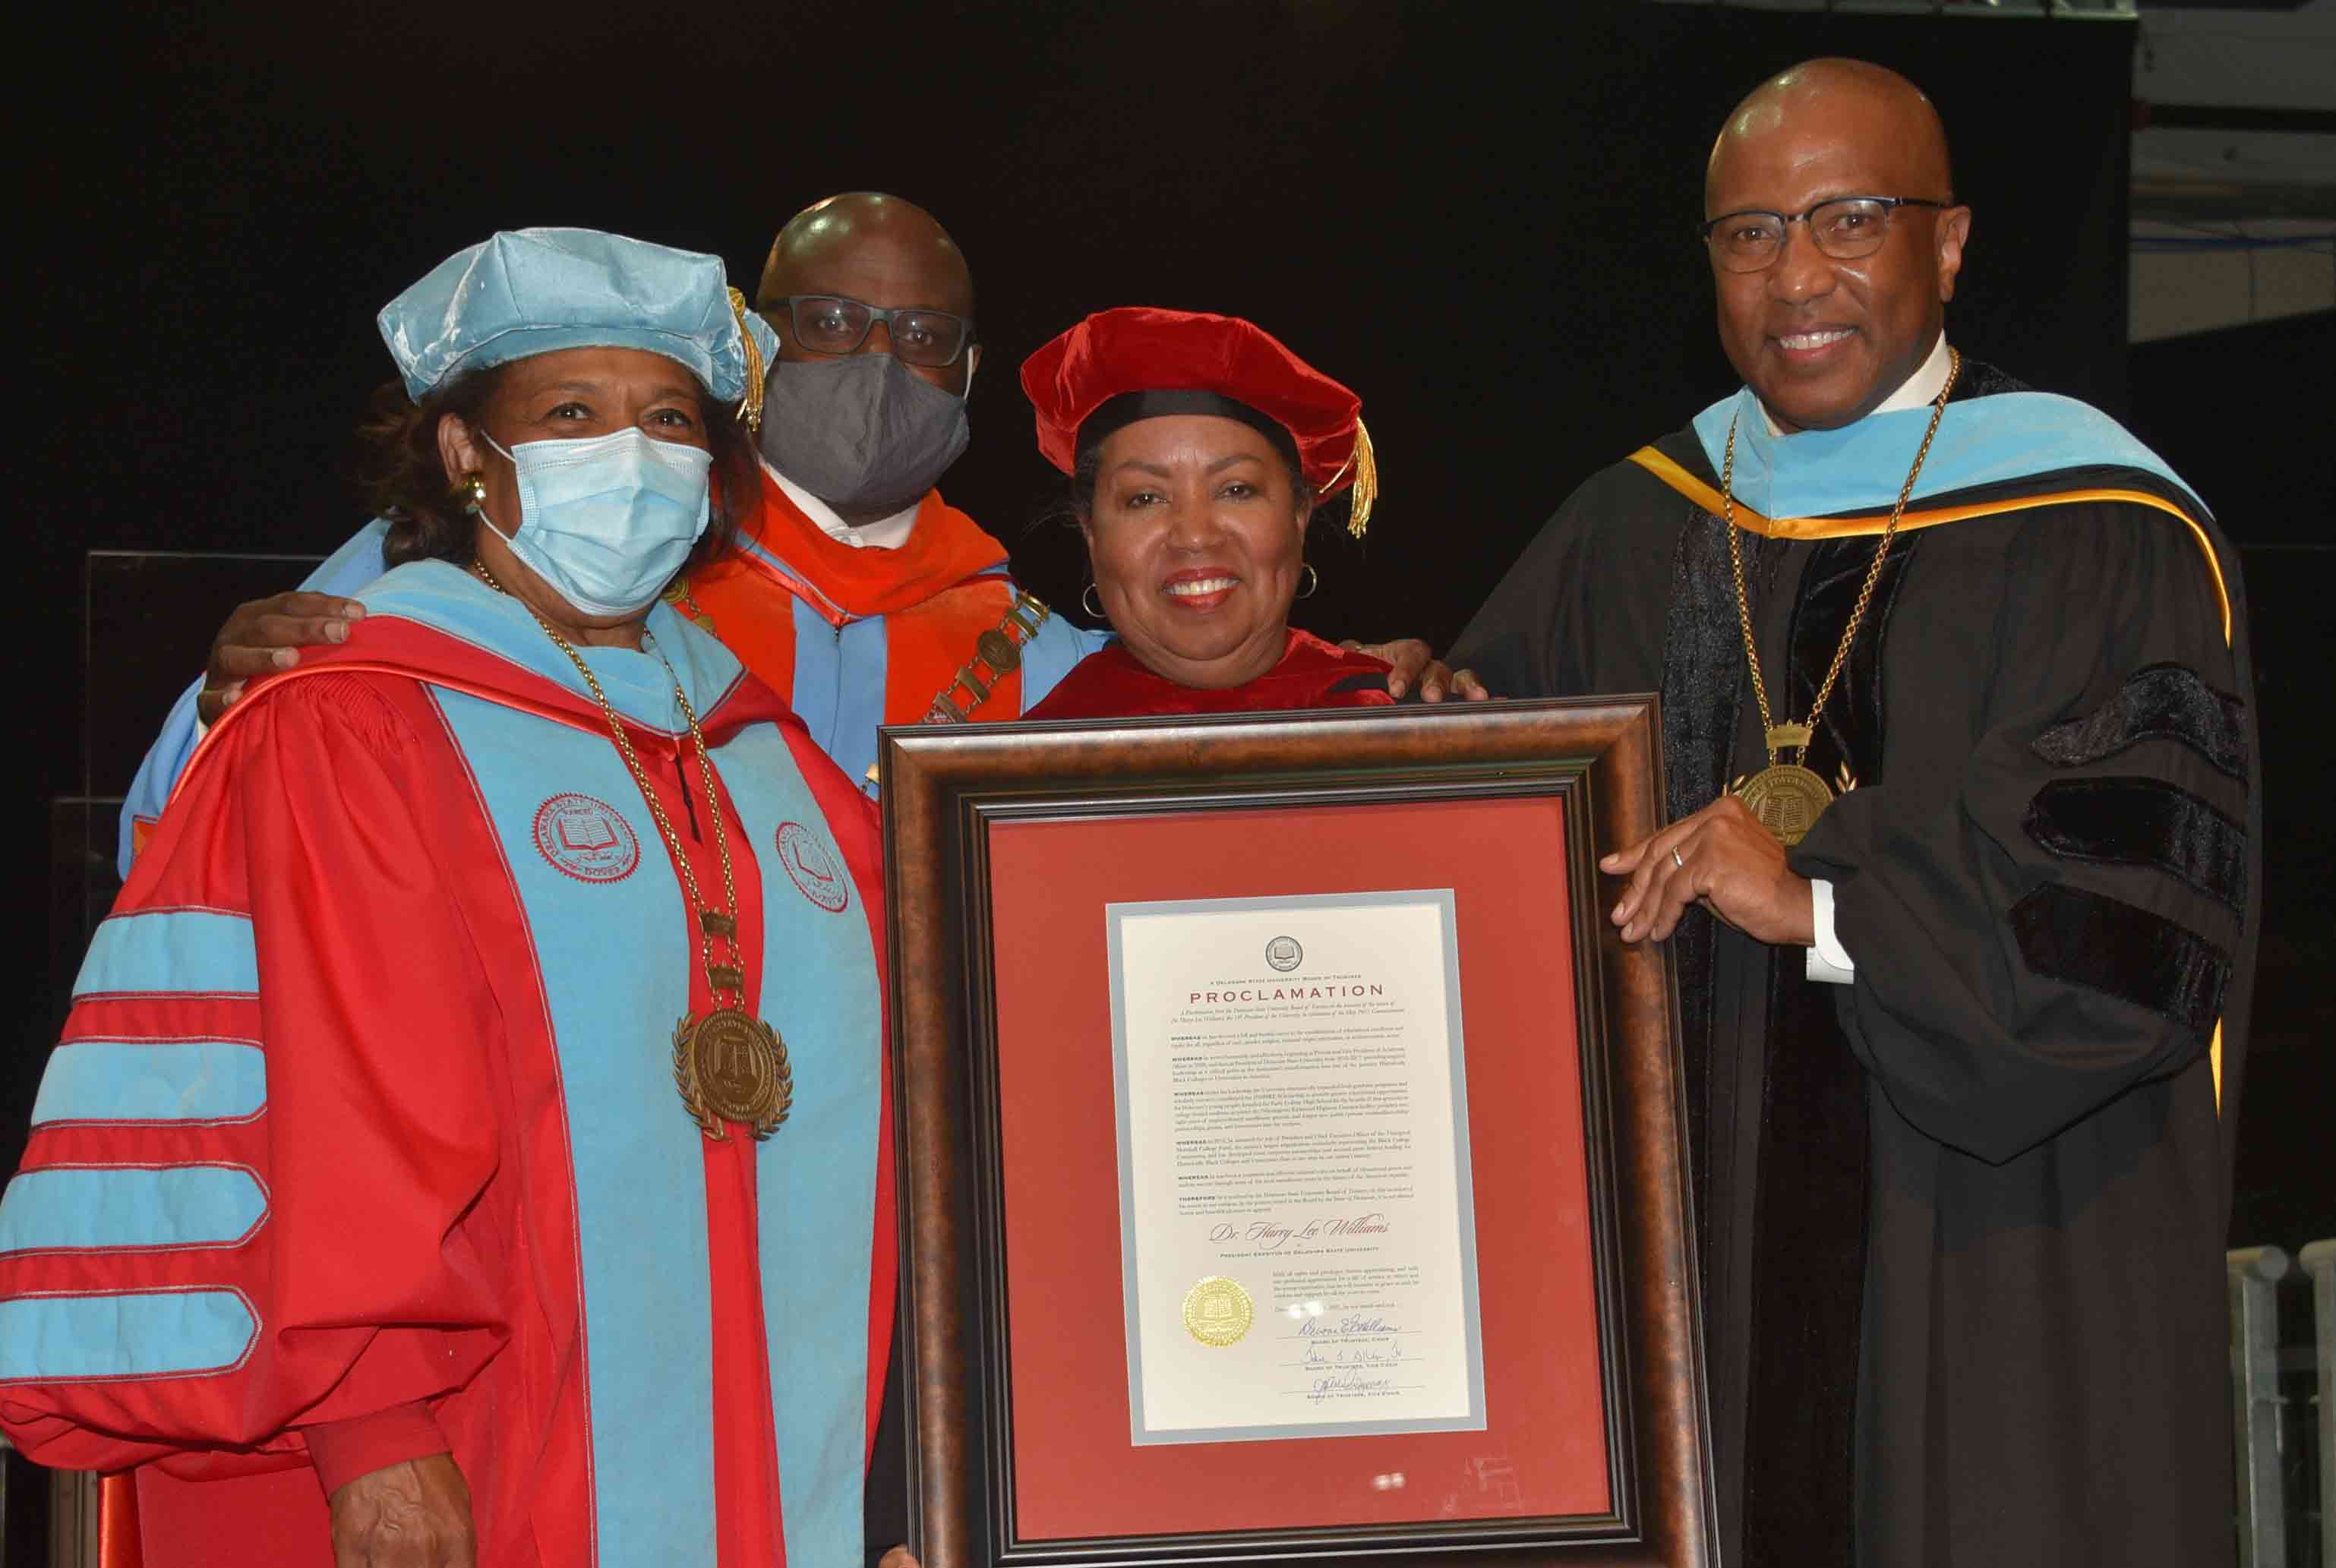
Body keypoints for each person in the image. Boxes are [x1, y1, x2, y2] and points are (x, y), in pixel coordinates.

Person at [2, 229, 914, 1568]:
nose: (631, 453)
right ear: (463, 453)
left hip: (774, 1452)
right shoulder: (354, 724)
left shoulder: (778, 770)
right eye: (569, 413)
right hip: (467, 1446)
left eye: (669, 419)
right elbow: (327, 1097)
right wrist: (372, 1431)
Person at [1451, 60, 2257, 1568]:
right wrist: (1375, 724)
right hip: (1694, 1284)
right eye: (1747, 234)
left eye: (1846, 219)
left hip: (1992, 1261)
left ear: (1944, 246)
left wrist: (1824, 908)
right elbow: (1481, 793)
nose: (1794, 275)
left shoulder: (2095, 526)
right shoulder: (1637, 521)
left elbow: (2136, 937)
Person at [118, 195, 1472, 872]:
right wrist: (230, 701)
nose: (876, 360)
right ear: (754, 348)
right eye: (828, 325)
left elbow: (1232, 726)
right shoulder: (555, 553)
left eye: (923, 337)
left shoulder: (1052, 662)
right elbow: (198, 822)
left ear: (968, 368)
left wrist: (1369, 691)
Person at [1020, 307, 1403, 719]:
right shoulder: (1027, 763)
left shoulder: (1406, 723)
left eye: (1236, 490)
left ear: (1299, 515)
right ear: (1091, 534)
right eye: (1145, 499)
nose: (1195, 536)